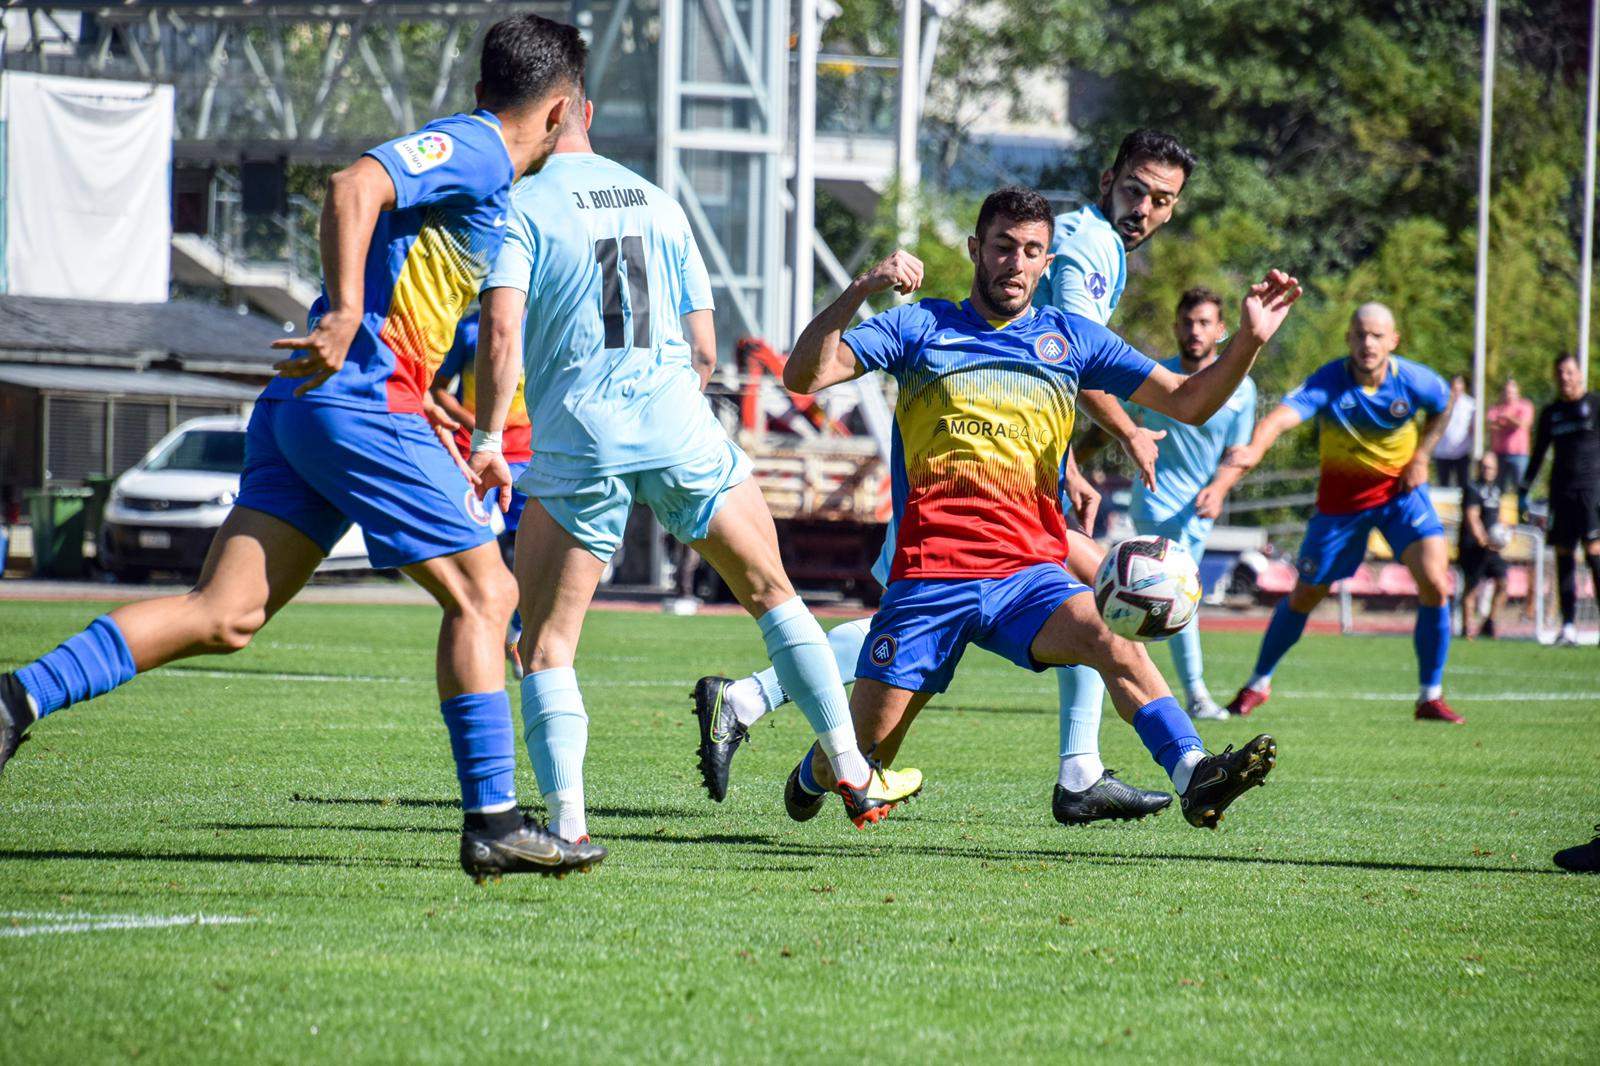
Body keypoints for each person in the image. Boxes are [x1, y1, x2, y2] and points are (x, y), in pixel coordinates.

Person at [0, 14, 606, 881]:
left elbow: (413, 287)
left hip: (316, 405)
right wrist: (348, 314)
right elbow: (352, 186)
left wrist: (436, 402)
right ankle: (496, 820)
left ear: (482, 88)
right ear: (558, 113)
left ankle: (16, 698)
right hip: (356, 399)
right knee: (488, 592)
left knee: (225, 615)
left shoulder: (482, 167)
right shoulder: (478, 149)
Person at [467, 87, 920, 843]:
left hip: (584, 439)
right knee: (775, 596)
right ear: (583, 103)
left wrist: (488, 437)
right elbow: (705, 349)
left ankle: (571, 828)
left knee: (545, 645)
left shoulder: (521, 205)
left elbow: (500, 325)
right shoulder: (658, 201)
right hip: (679, 426)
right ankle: (850, 765)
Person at [704, 130, 1195, 826]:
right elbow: (807, 376)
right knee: (1096, 594)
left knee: (1103, 609)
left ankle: (1123, 766)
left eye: (1161, 199)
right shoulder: (1084, 249)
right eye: (1136, 190)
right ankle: (771, 712)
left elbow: (1055, 376)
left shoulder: (1076, 272)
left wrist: (1070, 463)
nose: (1144, 207)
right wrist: (862, 288)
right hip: (938, 536)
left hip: (1019, 539)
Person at [778, 187, 1299, 830]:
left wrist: (1247, 340)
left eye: (1032, 252)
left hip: (1028, 574)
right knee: (858, 756)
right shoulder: (919, 326)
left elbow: (1188, 402)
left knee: (1112, 636)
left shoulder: (1071, 338)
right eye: (1003, 247)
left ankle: (1195, 773)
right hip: (929, 578)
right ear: (976, 250)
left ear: (1047, 263)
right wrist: (862, 287)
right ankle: (812, 772)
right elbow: (802, 378)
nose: (1015, 264)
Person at [1225, 303, 1462, 725]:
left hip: (1401, 496)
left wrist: (1422, 455)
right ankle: (1257, 684)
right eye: (1360, 334)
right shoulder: (1329, 381)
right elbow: (1281, 418)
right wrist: (1254, 449)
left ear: (1393, 340)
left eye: (1377, 335)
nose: (1368, 343)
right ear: (1349, 338)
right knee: (1305, 595)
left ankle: (1430, 695)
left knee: (1436, 582)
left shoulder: (1413, 380)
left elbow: (1447, 402)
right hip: (1341, 508)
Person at [1085, 286, 1257, 720]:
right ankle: (1194, 693)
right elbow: (1105, 410)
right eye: (1187, 322)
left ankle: (1122, 677)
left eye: (1204, 323)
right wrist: (1072, 461)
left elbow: (1239, 455)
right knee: (1180, 596)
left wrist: (1218, 488)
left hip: (1199, 512)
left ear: (1221, 330)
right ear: (1176, 327)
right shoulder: (1157, 377)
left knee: (1159, 601)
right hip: (1156, 504)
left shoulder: (1241, 388)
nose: (1194, 331)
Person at [429, 310, 534, 676]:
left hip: (529, 457)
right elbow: (438, 389)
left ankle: (519, 635)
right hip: (474, 455)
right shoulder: (470, 328)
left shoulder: (543, 322)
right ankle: (478, 631)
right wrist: (478, 425)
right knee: (475, 545)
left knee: (534, 551)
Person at [1521, 353, 1600, 648]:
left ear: (1580, 374)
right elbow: (1539, 453)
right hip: (1560, 493)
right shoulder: (1551, 413)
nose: (1565, 377)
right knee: (1563, 556)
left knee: (1594, 553)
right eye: (1560, 373)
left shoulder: (1595, 405)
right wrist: (1523, 490)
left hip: (1591, 492)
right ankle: (1568, 627)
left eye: (1569, 372)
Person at [1459, 452, 1509, 639]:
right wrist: (1482, 539)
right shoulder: (1472, 488)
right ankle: (1467, 629)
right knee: (1471, 588)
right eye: (1484, 466)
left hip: (1492, 548)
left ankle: (1489, 622)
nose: (1487, 470)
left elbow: (1499, 516)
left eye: (1490, 467)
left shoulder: (1496, 489)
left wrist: (1502, 536)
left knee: (1503, 583)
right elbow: (1472, 517)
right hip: (1473, 546)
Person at [1489, 378, 1535, 507]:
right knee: (1498, 489)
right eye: (1507, 392)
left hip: (1519, 455)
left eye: (1512, 392)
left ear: (1517, 392)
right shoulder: (1496, 408)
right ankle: (1497, 516)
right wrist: (1510, 422)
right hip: (1499, 455)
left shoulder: (1525, 406)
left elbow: (1523, 424)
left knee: (1521, 488)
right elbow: (1492, 425)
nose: (1509, 394)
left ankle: (1524, 516)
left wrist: (1508, 419)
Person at [1433, 374, 1474, 488]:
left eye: (1459, 385)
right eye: (1454, 386)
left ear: (1463, 387)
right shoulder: (1441, 403)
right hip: (1442, 453)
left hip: (1462, 453)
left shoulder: (1470, 405)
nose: (1456, 388)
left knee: (1464, 486)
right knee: (1443, 486)